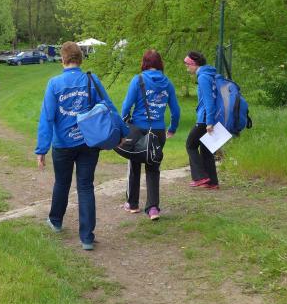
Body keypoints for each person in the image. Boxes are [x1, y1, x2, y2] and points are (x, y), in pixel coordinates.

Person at [35, 41, 120, 251]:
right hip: (88, 142)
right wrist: (122, 133)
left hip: (62, 144)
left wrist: (42, 149)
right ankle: (87, 238)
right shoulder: (91, 79)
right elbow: (109, 106)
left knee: (61, 183)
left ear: (63, 60)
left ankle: (56, 221)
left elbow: (47, 117)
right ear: (80, 59)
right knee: (85, 186)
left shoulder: (54, 84)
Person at [120, 49, 181, 220]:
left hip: (138, 130)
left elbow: (126, 106)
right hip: (158, 132)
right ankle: (153, 208)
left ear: (144, 63)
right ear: (160, 63)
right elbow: (176, 110)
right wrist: (172, 128)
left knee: (134, 164)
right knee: (153, 168)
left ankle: (132, 204)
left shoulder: (138, 80)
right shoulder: (168, 83)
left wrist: (124, 122)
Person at [184, 51, 219, 189]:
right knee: (206, 149)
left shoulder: (203, 77)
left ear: (194, 64)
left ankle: (200, 177)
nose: (187, 67)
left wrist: (209, 122)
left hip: (205, 118)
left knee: (190, 144)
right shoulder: (210, 74)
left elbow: (209, 101)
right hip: (210, 117)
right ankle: (212, 182)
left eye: (188, 64)